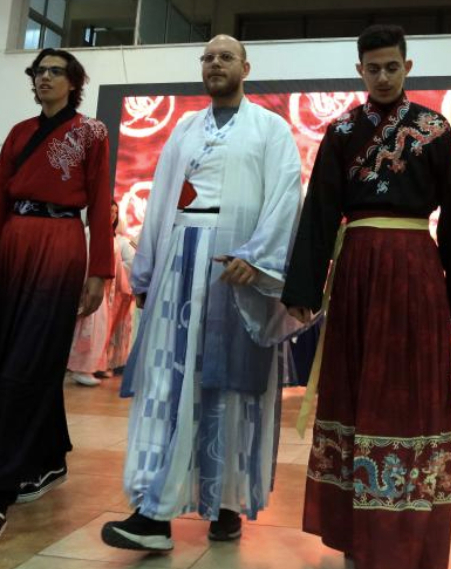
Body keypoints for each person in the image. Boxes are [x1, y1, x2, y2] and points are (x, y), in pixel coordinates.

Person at [281, 24, 451, 569]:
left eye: (391, 67)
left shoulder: (433, 129)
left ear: (408, 67)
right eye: (372, 68)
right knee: (352, 389)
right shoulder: (341, 129)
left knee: (409, 393)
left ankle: (409, 530)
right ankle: (358, 529)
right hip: (356, 272)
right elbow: (320, 212)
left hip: (416, 269)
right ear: (360, 71)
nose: (382, 76)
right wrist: (304, 287)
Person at [100, 35, 303, 552]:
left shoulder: (271, 129)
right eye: (208, 58)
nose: (215, 64)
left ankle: (226, 503)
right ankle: (155, 512)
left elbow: (285, 197)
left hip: (235, 270)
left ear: (245, 67)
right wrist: (146, 273)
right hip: (179, 264)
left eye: (225, 57)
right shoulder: (184, 129)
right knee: (170, 386)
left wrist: (256, 259)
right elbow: (164, 196)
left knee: (229, 386)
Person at [0, 48, 113, 551]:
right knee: (21, 361)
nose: (43, 78)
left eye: (54, 72)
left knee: (23, 366)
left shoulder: (92, 133)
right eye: (38, 71)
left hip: (61, 242)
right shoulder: (19, 133)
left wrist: (100, 271)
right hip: (16, 240)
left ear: (74, 82)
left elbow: (100, 203)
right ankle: (48, 459)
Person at [67, 201, 136, 386]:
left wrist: (126, 288)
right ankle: (81, 368)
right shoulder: (89, 233)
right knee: (88, 330)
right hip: (91, 287)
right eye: (109, 211)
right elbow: (84, 259)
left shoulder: (111, 238)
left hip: (106, 291)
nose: (112, 215)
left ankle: (93, 367)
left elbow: (119, 265)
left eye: (115, 212)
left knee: (100, 331)